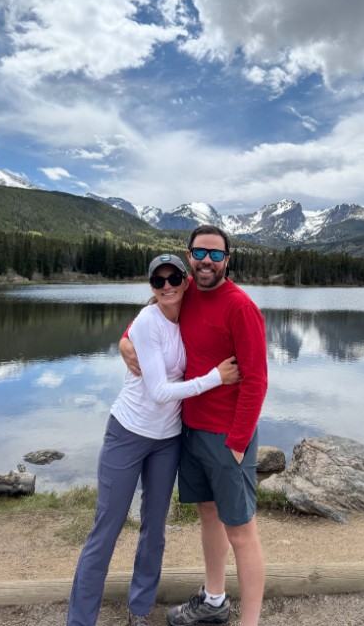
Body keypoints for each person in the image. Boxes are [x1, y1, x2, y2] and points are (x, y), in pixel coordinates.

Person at [66, 254, 241, 626]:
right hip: (127, 433)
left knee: (154, 530)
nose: (166, 286)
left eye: (173, 278)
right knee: (107, 529)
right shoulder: (148, 319)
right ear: (151, 286)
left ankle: (140, 610)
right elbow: (160, 392)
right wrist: (216, 378)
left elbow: (224, 304)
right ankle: (80, 620)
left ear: (186, 281)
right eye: (158, 281)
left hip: (167, 441)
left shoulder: (191, 311)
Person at [119, 225, 268, 626]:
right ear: (189, 257)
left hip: (228, 438)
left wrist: (238, 443)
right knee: (208, 514)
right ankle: (214, 601)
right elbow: (148, 318)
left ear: (227, 261)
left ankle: (250, 622)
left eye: (216, 255)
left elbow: (256, 381)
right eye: (200, 253)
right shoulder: (185, 295)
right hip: (192, 431)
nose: (207, 261)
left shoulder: (241, 307)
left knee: (241, 531)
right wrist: (124, 341)